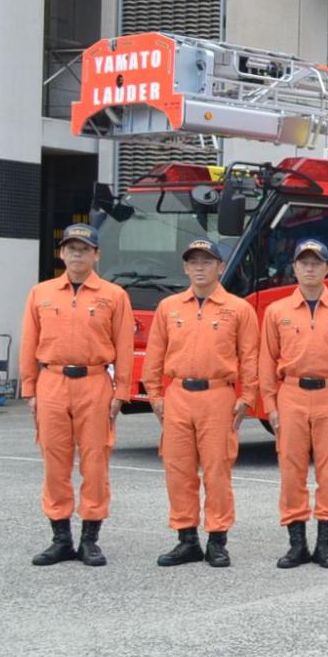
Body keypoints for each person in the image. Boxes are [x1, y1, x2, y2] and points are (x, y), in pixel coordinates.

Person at [19, 222, 134, 567]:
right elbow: (28, 342)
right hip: (51, 382)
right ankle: (60, 539)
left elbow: (124, 347)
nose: (77, 255)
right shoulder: (41, 293)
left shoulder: (114, 296)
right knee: (55, 463)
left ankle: (90, 540)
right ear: (61, 253)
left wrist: (122, 391)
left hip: (95, 383)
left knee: (95, 463)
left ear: (96, 255)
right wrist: (29, 388)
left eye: (84, 249)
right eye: (71, 249)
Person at [143, 237, 262, 569]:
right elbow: (155, 354)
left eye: (207, 262)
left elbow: (249, 357)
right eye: (193, 262)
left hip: (218, 396)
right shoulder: (169, 307)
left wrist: (248, 396)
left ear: (220, 267)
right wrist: (154, 394)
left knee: (217, 470)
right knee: (178, 471)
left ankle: (217, 540)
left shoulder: (239, 309)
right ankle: (187, 540)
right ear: (185, 267)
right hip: (178, 395)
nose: (199, 267)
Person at [259, 239, 328, 570]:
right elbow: (266, 360)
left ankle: (325, 545)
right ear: (295, 267)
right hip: (291, 394)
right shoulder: (277, 311)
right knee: (291, 470)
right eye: (304, 262)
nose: (310, 268)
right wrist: (270, 404)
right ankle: (297, 544)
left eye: (317, 262)